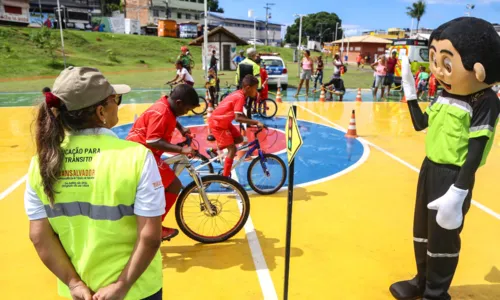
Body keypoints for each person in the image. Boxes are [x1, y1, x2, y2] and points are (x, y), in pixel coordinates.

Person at [25, 66, 164, 300]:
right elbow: (149, 237)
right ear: (101, 111)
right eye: (115, 100)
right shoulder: (136, 157)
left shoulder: (40, 163)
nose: (117, 105)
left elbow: (39, 237)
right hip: (136, 290)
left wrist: (73, 282)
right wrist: (122, 284)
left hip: (79, 292)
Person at [389, 17, 500, 300]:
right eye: (435, 60)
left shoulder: (484, 101)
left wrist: (459, 190)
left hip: (454, 176)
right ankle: (422, 279)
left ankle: (436, 292)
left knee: (443, 238)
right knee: (422, 230)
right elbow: (420, 124)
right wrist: (410, 94)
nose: (438, 71)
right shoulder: (444, 93)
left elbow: (476, 150)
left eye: (446, 64)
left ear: (479, 69)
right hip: (429, 168)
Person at [126, 84, 200, 241]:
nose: (186, 113)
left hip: (143, 151)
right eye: (186, 109)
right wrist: (182, 150)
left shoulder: (166, 104)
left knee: (162, 184)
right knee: (174, 185)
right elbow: (153, 140)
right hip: (142, 154)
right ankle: (156, 228)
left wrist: (181, 128)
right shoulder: (161, 113)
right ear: (179, 102)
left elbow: (172, 116)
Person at [207, 75, 264, 178]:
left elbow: (240, 113)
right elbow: (237, 118)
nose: (256, 92)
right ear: (248, 88)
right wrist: (255, 122)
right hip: (218, 124)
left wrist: (251, 122)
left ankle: (214, 150)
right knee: (232, 149)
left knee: (238, 139)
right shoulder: (240, 97)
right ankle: (225, 178)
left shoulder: (239, 94)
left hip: (224, 122)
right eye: (255, 88)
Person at [235, 48, 262, 120]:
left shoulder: (240, 64)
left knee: (242, 104)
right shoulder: (255, 65)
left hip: (242, 87)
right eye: (255, 55)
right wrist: (259, 89)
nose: (256, 56)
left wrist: (237, 85)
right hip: (251, 88)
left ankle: (242, 120)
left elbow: (237, 75)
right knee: (249, 105)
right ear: (253, 55)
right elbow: (257, 78)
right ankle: (248, 121)